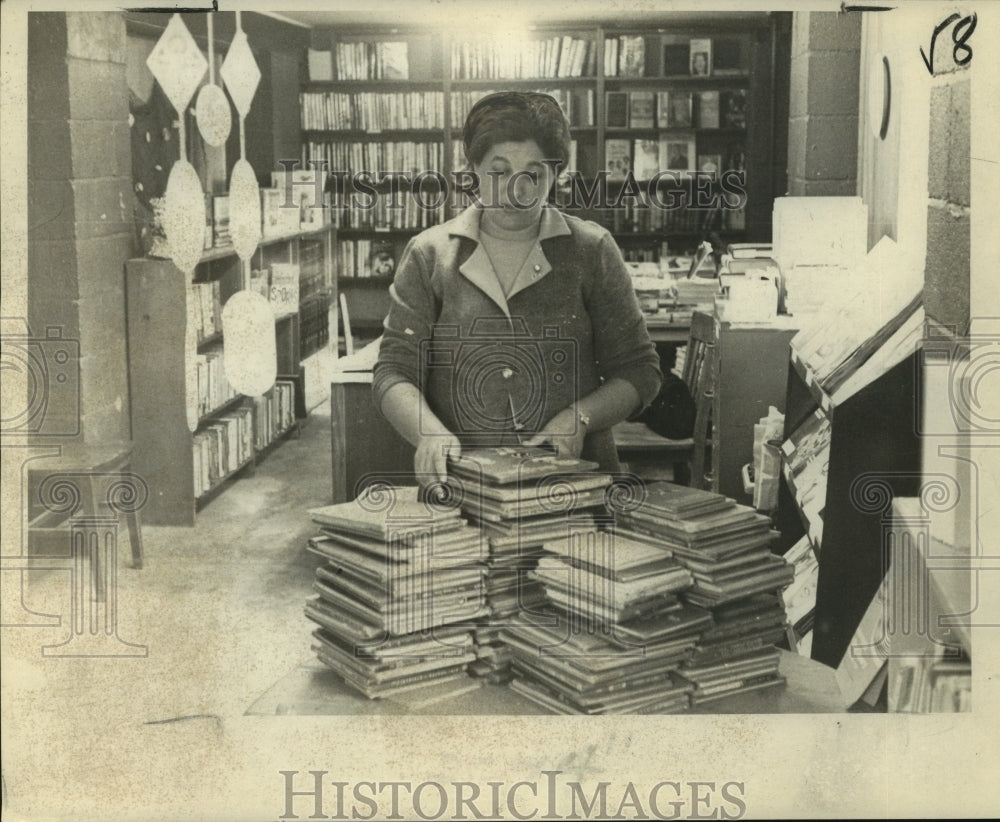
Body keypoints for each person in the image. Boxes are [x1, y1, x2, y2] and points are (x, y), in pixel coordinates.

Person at [373, 91, 662, 485]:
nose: (515, 190)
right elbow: (394, 370)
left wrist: (580, 418)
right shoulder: (429, 255)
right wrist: (428, 432)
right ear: (473, 169)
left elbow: (640, 371)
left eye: (534, 174)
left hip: (576, 485)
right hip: (467, 484)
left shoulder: (591, 249)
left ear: (555, 175)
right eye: (499, 171)